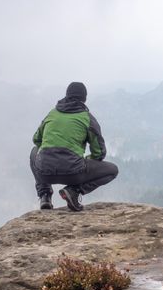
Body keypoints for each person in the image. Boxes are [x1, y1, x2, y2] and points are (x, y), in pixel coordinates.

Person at [30, 82, 118, 211]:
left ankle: (45, 195)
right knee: (112, 170)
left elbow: (36, 140)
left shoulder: (52, 114)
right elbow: (99, 153)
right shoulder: (87, 118)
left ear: (66, 95)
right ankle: (74, 190)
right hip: (74, 174)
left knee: (34, 152)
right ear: (84, 98)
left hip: (44, 173)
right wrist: (86, 160)